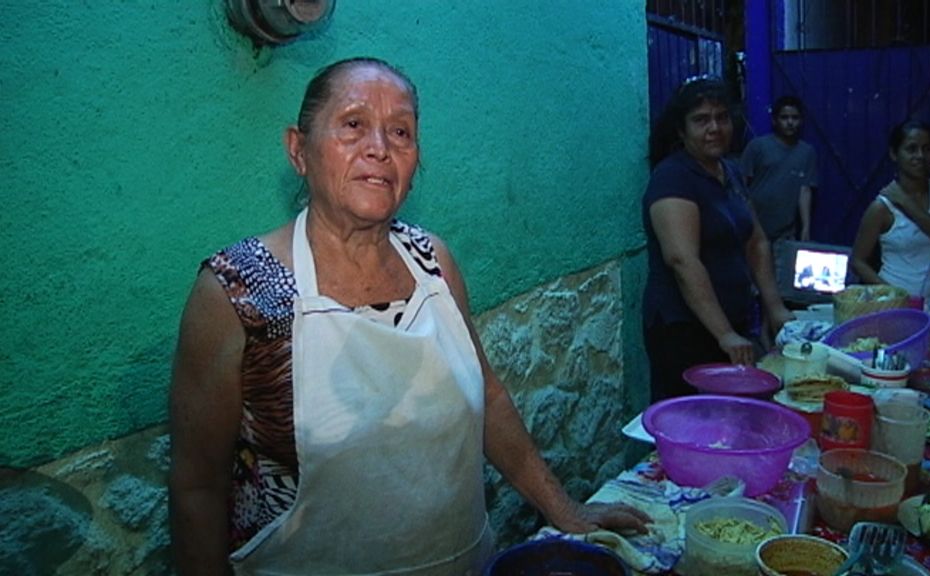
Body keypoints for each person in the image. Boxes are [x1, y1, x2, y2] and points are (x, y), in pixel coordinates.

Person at [168, 57, 649, 576]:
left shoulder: (433, 262)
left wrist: (564, 509)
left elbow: (487, 396)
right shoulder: (237, 291)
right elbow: (197, 485)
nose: (379, 148)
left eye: (401, 131)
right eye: (353, 125)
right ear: (298, 150)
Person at [641, 77, 793, 401]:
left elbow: (756, 242)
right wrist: (724, 333)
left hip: (732, 325)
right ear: (681, 130)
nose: (714, 127)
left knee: (729, 416)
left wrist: (775, 307)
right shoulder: (673, 177)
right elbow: (682, 260)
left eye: (721, 117)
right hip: (685, 330)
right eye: (701, 120)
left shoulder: (730, 171)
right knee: (691, 419)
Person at [851, 120, 930, 316]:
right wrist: (893, 295)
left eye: (927, 149)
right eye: (911, 149)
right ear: (894, 154)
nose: (920, 156)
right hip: (892, 308)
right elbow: (858, 261)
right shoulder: (881, 208)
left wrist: (905, 201)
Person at [740, 95, 818, 243]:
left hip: (785, 234)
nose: (790, 122)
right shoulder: (758, 147)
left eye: (795, 118)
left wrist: (806, 228)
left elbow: (805, 191)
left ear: (801, 121)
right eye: (784, 117)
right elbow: (740, 187)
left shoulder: (807, 152)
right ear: (774, 120)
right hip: (753, 230)